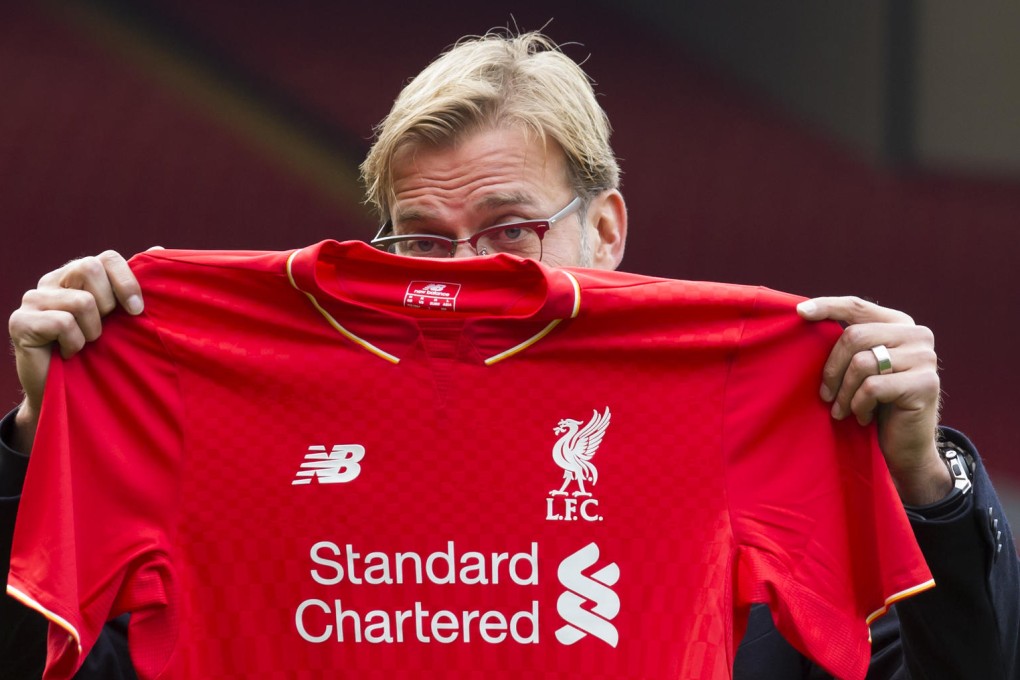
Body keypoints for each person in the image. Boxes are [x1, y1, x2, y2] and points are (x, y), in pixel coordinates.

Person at [1, 30, 1017, 679]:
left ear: (607, 227)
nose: (467, 271)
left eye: (509, 228)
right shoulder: (236, 422)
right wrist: (37, 443)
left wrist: (925, 480)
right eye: (422, 239)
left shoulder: (730, 404)